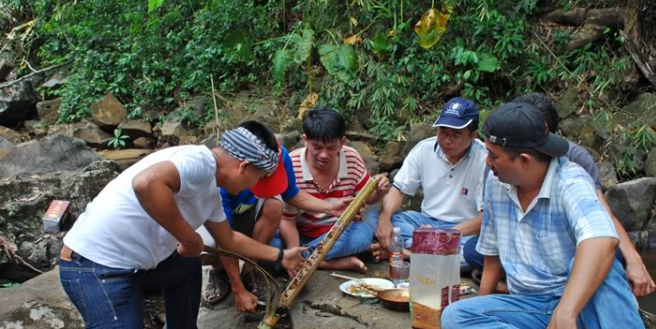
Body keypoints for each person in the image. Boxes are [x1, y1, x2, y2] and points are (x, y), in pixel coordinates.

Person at [59, 125, 306, 329]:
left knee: (184, 268)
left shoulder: (209, 191)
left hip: (130, 265)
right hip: (94, 268)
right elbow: (147, 184)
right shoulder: (196, 161)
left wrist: (281, 256)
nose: (254, 189)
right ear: (243, 167)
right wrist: (187, 235)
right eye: (256, 180)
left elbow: (230, 241)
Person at [442, 102, 656, 329]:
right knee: (456, 318)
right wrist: (480, 304)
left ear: (524, 159)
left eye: (494, 156)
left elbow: (602, 241)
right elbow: (492, 251)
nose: (486, 162)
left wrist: (565, 315)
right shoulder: (498, 183)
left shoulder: (570, 180)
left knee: (601, 265)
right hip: (530, 307)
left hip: (583, 311)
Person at [463, 93, 656, 297]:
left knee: (603, 261)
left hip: (568, 251)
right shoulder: (499, 166)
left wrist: (634, 259)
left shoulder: (572, 166)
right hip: (522, 248)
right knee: (473, 253)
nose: (487, 161)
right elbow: (493, 224)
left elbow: (599, 218)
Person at [198, 121, 352, 311]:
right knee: (202, 247)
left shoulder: (277, 156)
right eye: (261, 177)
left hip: (247, 217)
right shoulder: (216, 185)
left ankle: (250, 269)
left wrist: (330, 207)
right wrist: (238, 290)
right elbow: (226, 239)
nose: (260, 182)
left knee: (274, 204)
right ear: (244, 168)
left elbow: (291, 194)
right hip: (219, 227)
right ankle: (219, 270)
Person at [367, 97, 486, 272]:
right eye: (443, 132)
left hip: (462, 232)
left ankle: (405, 253)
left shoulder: (485, 160)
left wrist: (443, 234)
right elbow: (399, 189)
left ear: (473, 135)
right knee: (372, 216)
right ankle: (429, 254)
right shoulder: (424, 149)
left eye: (455, 135)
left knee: (473, 253)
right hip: (424, 223)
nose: (447, 140)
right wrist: (384, 219)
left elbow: (485, 219)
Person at [277, 107, 391, 273]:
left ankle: (305, 260)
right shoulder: (292, 165)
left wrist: (379, 191)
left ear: (342, 142)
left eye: (331, 148)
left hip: (340, 232)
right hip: (301, 233)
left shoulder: (351, 157)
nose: (324, 155)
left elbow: (367, 198)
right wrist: (294, 249)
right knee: (270, 244)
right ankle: (326, 262)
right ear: (305, 140)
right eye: (317, 147)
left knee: (363, 234)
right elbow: (287, 220)